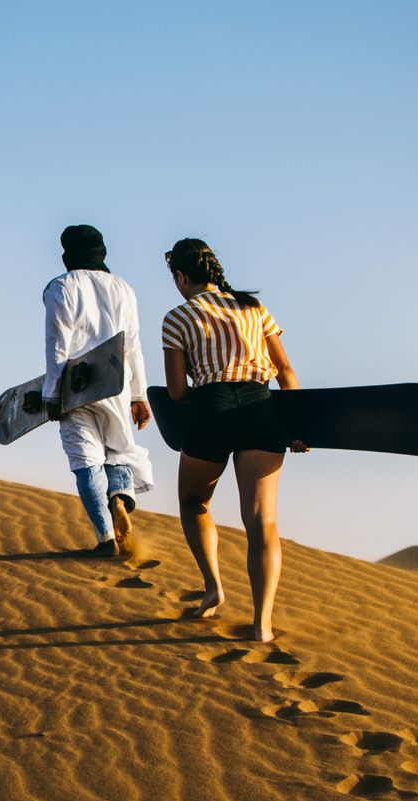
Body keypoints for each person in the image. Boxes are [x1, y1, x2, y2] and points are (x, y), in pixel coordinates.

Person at [160, 237, 305, 642]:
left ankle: (213, 587)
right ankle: (263, 624)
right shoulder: (253, 308)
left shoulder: (177, 318)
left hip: (212, 409)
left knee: (193, 501)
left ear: (183, 276)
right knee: (263, 521)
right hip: (263, 409)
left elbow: (175, 392)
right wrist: (295, 423)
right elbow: (285, 369)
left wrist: (208, 397)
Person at [43, 224, 155, 556]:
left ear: (67, 254)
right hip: (115, 384)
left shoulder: (60, 287)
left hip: (74, 387)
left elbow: (57, 347)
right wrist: (139, 395)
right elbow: (133, 346)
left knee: (85, 459)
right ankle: (119, 497)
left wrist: (52, 395)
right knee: (118, 449)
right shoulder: (124, 288)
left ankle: (106, 538)